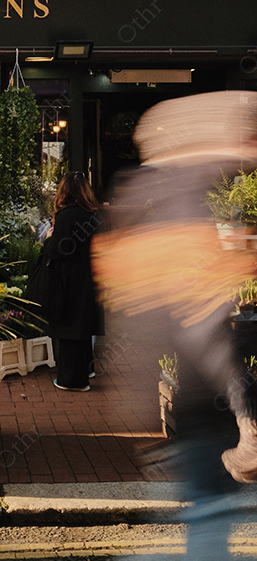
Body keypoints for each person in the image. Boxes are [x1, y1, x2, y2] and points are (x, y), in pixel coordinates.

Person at [92, 90, 257, 560]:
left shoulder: (146, 208)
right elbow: (202, 329)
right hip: (206, 406)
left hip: (186, 403)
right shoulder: (185, 218)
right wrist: (245, 416)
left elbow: (138, 318)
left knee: (205, 515)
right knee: (207, 519)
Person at [43, 171, 102, 392]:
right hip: (89, 276)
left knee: (69, 327)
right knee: (84, 324)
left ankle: (72, 380)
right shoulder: (94, 215)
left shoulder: (66, 216)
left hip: (68, 279)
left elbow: (59, 250)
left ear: (64, 191)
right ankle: (88, 368)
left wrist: (48, 240)